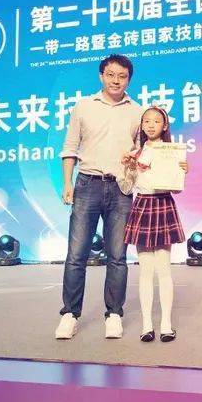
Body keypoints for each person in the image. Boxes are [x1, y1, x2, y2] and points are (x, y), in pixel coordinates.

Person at [55, 54, 142, 340]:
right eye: (111, 75)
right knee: (76, 254)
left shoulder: (137, 111)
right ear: (101, 76)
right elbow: (70, 147)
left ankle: (114, 314)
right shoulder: (83, 106)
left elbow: (144, 152)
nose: (116, 81)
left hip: (120, 189)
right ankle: (69, 314)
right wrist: (67, 183)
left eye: (122, 76)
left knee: (118, 256)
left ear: (129, 80)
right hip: (87, 184)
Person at [121, 106, 188, 343]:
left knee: (163, 269)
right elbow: (126, 187)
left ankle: (166, 324)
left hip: (163, 204)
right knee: (146, 270)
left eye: (156, 121)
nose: (150, 125)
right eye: (146, 121)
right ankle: (147, 325)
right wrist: (127, 168)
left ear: (165, 125)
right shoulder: (136, 153)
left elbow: (176, 188)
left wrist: (183, 171)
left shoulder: (172, 151)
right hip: (142, 206)